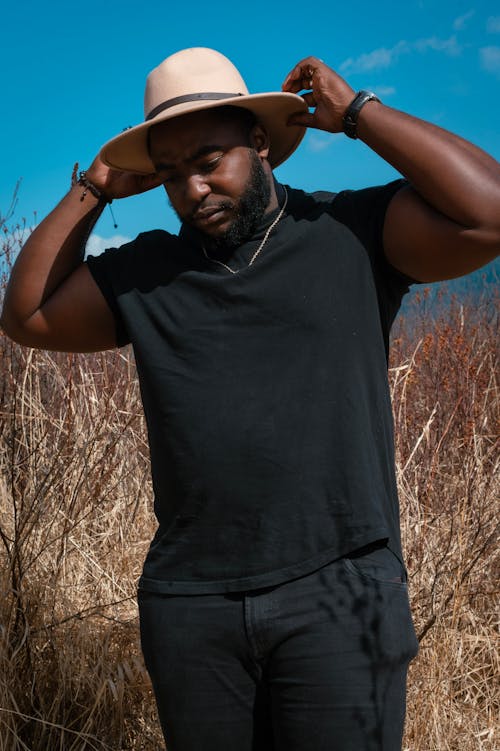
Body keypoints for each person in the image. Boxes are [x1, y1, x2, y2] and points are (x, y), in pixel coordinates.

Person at [1, 47, 499, 751]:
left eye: (209, 160)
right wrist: (97, 188)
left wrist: (359, 113)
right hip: (190, 609)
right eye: (172, 173)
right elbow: (25, 318)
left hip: (339, 592)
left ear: (260, 142)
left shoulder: (350, 236)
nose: (193, 189)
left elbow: (488, 213)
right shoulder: (145, 275)